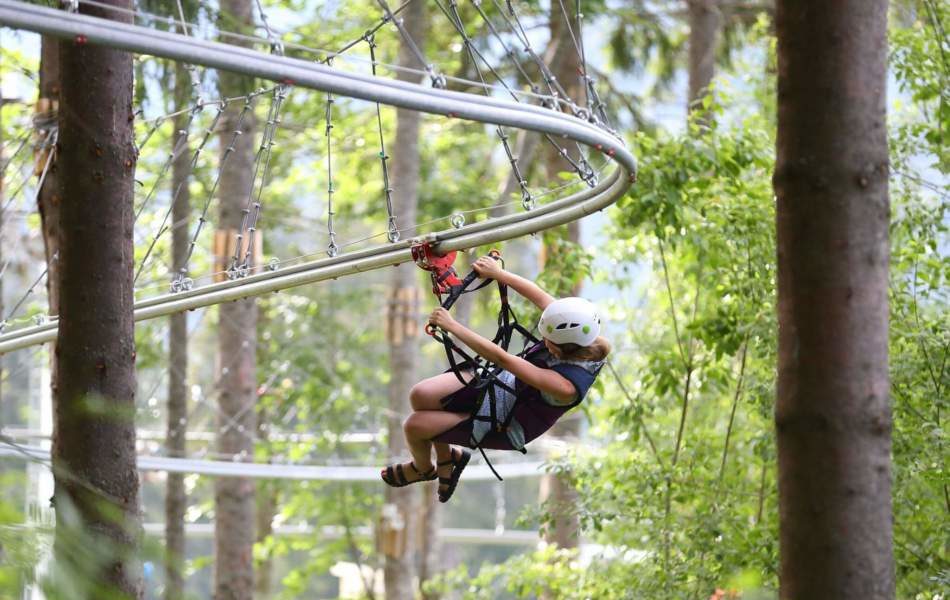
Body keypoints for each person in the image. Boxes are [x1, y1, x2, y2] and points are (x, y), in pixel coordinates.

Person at [380, 255, 611, 502]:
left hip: (507, 422)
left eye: (548, 341)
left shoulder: (565, 387)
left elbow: (505, 359)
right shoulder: (579, 328)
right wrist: (498, 273)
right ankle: (449, 459)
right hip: (504, 384)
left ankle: (423, 468)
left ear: (566, 349)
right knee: (421, 395)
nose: (543, 341)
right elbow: (540, 297)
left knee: (414, 426)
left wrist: (453, 326)